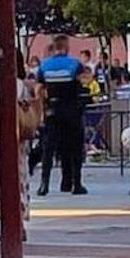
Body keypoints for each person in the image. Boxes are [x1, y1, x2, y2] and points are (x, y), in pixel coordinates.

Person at [35, 34, 88, 196]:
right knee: (75, 148)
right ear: (66, 47)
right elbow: (83, 82)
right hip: (72, 110)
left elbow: (38, 90)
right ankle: (76, 184)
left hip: (53, 110)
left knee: (48, 149)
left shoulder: (44, 66)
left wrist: (43, 109)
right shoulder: (75, 64)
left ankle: (44, 184)